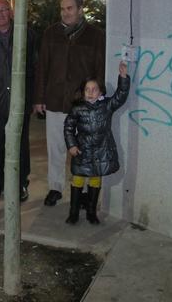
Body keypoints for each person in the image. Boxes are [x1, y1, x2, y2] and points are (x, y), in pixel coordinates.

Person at [33, 0, 105, 207]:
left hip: (82, 104)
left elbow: (100, 69)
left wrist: (97, 98)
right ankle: (55, 188)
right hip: (55, 100)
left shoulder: (95, 36)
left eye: (70, 8)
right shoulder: (51, 33)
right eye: (62, 9)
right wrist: (39, 98)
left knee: (82, 149)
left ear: (80, 9)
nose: (65, 13)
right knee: (55, 148)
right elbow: (42, 67)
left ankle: (82, 190)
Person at [0, 0, 37, 202]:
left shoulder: (26, 34)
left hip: (20, 99)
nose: (0, 15)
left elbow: (34, 67)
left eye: (3, 10)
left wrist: (34, 98)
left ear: (11, 12)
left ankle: (21, 183)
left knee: (21, 143)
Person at [64, 61, 130, 225]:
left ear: (100, 91)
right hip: (82, 150)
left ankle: (91, 212)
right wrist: (72, 145)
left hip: (101, 150)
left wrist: (123, 77)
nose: (90, 92)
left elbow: (120, 96)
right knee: (78, 179)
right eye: (87, 89)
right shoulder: (77, 108)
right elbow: (68, 128)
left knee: (95, 179)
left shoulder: (106, 105)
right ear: (83, 92)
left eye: (94, 89)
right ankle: (73, 212)